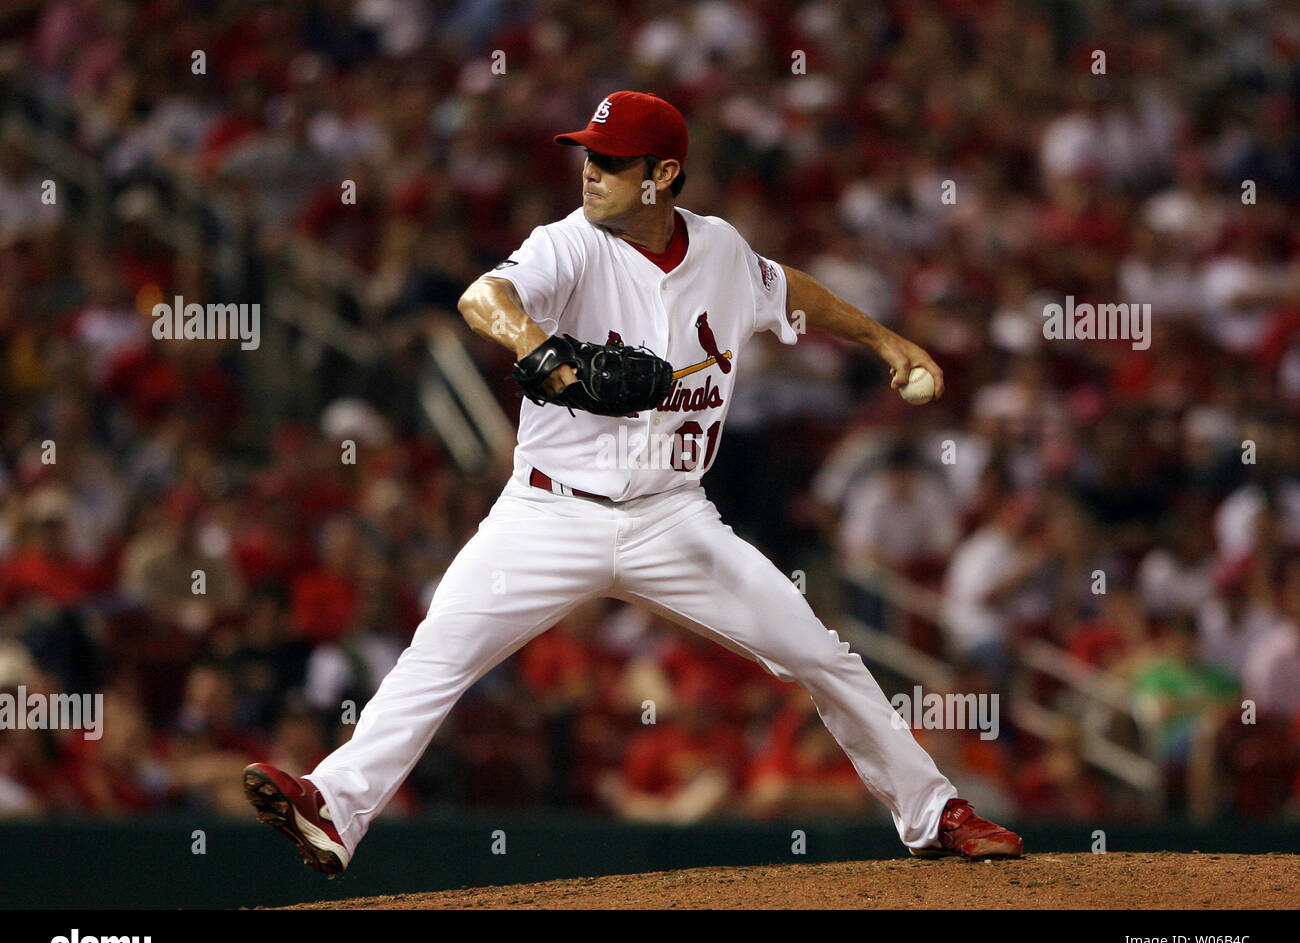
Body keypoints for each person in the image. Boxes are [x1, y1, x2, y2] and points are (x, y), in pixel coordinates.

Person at [243, 91, 1022, 873]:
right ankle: (334, 805)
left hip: (672, 518)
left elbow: (791, 291)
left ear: (664, 174)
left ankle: (933, 812)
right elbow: (483, 296)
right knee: (436, 656)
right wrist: (542, 348)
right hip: (547, 511)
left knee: (819, 652)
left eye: (612, 161)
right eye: (588, 154)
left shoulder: (719, 251)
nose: (591, 171)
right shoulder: (570, 244)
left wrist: (886, 341)